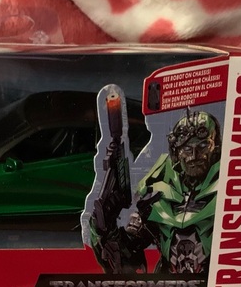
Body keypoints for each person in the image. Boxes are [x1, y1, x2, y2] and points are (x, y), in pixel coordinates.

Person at [89, 107, 222, 275]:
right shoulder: (158, 190)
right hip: (167, 283)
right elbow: (125, 257)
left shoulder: (228, 186)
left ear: (216, 148)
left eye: (203, 146)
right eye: (187, 149)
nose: (194, 156)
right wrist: (106, 226)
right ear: (176, 151)